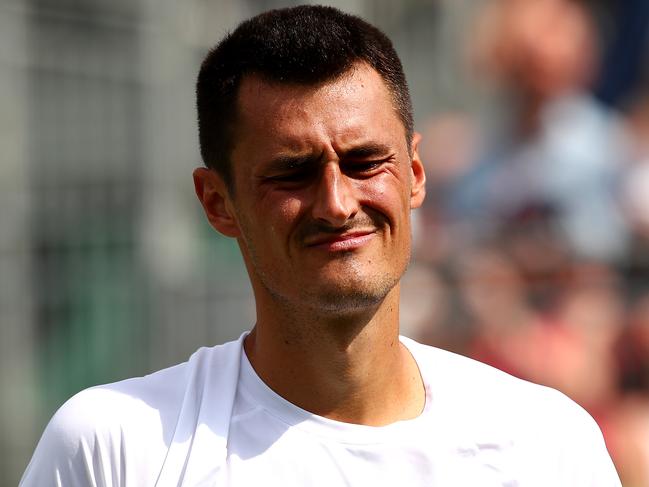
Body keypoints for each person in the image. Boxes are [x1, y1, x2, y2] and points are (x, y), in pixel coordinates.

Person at [20, 5, 621, 486]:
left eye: (364, 162)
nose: (336, 203)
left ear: (415, 174)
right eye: (291, 173)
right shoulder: (115, 448)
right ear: (216, 203)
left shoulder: (545, 443)